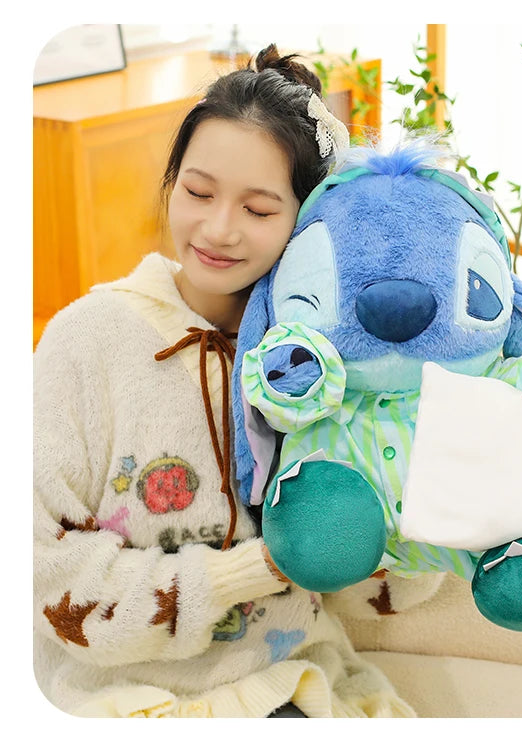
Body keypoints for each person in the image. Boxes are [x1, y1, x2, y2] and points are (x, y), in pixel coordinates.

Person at [33, 43, 441, 718]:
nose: (218, 229)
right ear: (172, 183)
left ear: (306, 222)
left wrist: (421, 505)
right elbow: (46, 578)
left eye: (258, 210)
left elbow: (380, 597)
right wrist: (257, 569)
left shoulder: (326, 363)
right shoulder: (86, 340)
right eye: (198, 193)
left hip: (292, 683)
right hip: (124, 698)